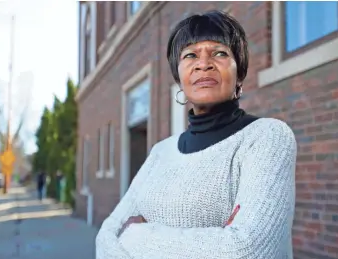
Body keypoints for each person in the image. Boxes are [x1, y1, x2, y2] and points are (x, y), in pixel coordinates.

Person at [96, 10, 297, 259]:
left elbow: (246, 251)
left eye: (220, 53)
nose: (204, 64)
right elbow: (105, 237)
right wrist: (212, 241)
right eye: (190, 55)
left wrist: (135, 235)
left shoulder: (266, 138)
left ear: (239, 73)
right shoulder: (160, 152)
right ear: (179, 77)